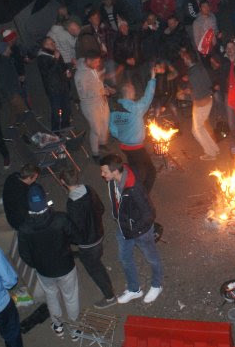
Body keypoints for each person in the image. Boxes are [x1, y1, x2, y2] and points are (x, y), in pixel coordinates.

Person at [100, 154, 164, 304]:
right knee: (124, 258)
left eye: (104, 172)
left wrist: (135, 229)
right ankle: (134, 289)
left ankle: (157, 284)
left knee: (152, 258)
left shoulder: (134, 188)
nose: (102, 174)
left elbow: (149, 213)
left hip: (140, 231)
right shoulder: (113, 181)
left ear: (115, 171)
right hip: (124, 228)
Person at [18, 185, 80, 339]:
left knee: (51, 296)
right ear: (45, 201)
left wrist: (36, 264)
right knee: (71, 296)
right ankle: (75, 329)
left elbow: (24, 253)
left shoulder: (25, 228)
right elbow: (75, 236)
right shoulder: (60, 219)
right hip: (65, 266)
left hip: (44, 270)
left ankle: (58, 326)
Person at [60, 169, 116, 309]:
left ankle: (110, 297)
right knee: (95, 258)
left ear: (62, 182)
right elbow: (101, 208)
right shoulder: (89, 189)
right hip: (98, 233)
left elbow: (76, 229)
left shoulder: (72, 203)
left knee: (95, 269)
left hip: (88, 243)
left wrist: (70, 239)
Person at [109, 67, 158, 193]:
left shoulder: (115, 110)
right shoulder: (135, 109)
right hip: (136, 148)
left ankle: (132, 188)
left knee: (134, 168)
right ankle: (141, 195)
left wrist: (122, 135)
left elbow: (112, 129)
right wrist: (152, 78)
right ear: (129, 93)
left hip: (124, 147)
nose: (134, 92)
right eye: (133, 90)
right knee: (150, 172)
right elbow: (148, 97)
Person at [182, 49, 220, 160]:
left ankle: (211, 153)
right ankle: (214, 149)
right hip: (207, 100)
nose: (183, 60)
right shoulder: (199, 67)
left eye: (184, 58)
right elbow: (207, 83)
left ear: (188, 59)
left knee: (196, 130)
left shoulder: (193, 73)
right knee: (201, 127)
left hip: (201, 104)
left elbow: (196, 94)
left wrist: (185, 95)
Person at [75, 49, 114, 160]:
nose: (98, 64)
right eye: (96, 62)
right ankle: (95, 153)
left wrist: (105, 87)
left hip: (101, 101)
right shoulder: (80, 75)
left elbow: (97, 82)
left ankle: (102, 144)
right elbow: (84, 93)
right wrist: (102, 92)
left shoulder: (92, 68)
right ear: (89, 60)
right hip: (90, 105)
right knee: (96, 129)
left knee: (105, 124)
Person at [37, 37, 72, 131]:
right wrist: (55, 59)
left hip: (63, 85)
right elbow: (48, 73)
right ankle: (55, 131)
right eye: (51, 43)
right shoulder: (42, 58)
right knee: (56, 111)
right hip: (53, 89)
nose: (53, 45)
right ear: (45, 45)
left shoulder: (56, 53)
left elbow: (62, 66)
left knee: (67, 108)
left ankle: (65, 127)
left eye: (53, 42)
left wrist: (67, 71)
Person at [2, 164, 40, 230]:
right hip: (16, 221)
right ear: (28, 178)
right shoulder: (22, 195)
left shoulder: (13, 176)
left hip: (8, 206)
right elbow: (25, 214)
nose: (35, 180)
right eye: (35, 178)